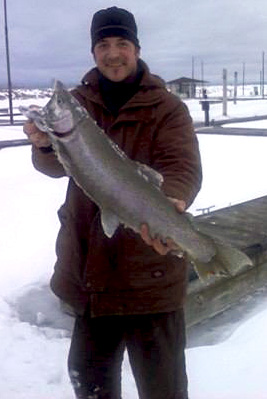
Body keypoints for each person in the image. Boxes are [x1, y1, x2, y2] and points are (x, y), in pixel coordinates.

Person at [23, 6, 202, 399]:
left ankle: (212, 254)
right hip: (90, 277)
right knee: (91, 390)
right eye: (103, 44)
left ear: (136, 49)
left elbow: (182, 167)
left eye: (122, 43)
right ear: (93, 52)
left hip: (151, 280)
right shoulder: (75, 104)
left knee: (164, 391)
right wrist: (43, 145)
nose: (113, 53)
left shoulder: (168, 109)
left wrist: (170, 202)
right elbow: (55, 166)